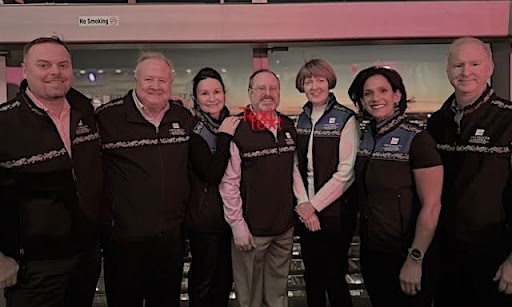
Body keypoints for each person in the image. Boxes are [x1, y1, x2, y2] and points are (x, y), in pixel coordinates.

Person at [0, 36, 102, 306]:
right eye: (44, 65)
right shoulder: (5, 122)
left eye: (62, 65)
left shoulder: (85, 113)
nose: (55, 72)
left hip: (86, 255)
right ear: (24, 70)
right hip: (32, 267)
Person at [96, 52, 194, 307]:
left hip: (171, 240)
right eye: (149, 79)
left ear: (171, 83)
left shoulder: (183, 119)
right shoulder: (107, 118)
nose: (156, 86)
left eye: (162, 80)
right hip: (125, 241)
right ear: (136, 80)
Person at [427, 37, 512, 306]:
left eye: (475, 64)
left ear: (490, 68)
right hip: (445, 255)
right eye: (458, 65)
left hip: (495, 257)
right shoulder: (437, 122)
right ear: (448, 71)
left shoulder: (508, 119)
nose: (466, 72)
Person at [348, 66, 443, 306]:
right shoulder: (366, 135)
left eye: (383, 90)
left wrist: (415, 259)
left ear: (397, 95)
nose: (375, 98)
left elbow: (432, 206)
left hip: (407, 254)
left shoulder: (417, 139)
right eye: (367, 93)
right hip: (373, 252)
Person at [219, 69, 309, 307]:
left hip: (284, 228)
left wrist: (302, 202)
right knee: (249, 298)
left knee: (278, 295)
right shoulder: (237, 130)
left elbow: (293, 170)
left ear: (279, 93)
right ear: (250, 92)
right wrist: (238, 226)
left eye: (273, 89)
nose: (267, 94)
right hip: (251, 231)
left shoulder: (288, 126)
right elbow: (229, 183)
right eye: (261, 88)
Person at [293, 59, 358, 307]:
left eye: (320, 80)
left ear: (329, 82)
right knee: (312, 278)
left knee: (334, 278)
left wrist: (314, 206)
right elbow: (294, 167)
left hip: (335, 214)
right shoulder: (301, 119)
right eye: (308, 81)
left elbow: (347, 172)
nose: (314, 86)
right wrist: (302, 203)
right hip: (305, 211)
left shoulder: (345, 118)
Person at [186, 67, 240, 307]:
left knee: (224, 281)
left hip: (231, 217)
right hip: (205, 221)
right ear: (196, 98)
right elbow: (211, 174)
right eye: (205, 93)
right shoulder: (195, 131)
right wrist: (224, 139)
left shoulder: (231, 123)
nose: (212, 98)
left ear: (224, 93)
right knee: (203, 282)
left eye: (216, 91)